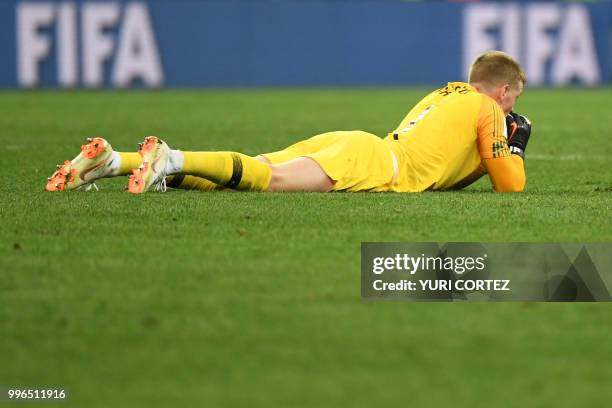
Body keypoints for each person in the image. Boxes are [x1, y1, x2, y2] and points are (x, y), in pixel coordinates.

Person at [45, 50, 532, 194]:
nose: (511, 109)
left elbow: (445, 173)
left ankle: (113, 161)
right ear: (505, 91)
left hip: (358, 144)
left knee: (250, 170)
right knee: (269, 179)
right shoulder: (490, 109)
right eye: (514, 100)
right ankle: (171, 158)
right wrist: (514, 147)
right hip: (376, 163)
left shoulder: (446, 93)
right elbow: (509, 186)